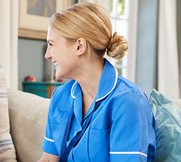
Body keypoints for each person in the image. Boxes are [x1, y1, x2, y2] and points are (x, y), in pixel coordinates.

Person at [37, 2, 156, 162]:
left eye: (51, 44)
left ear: (79, 46)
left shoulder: (129, 102)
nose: (47, 55)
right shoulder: (60, 96)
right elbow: (49, 159)